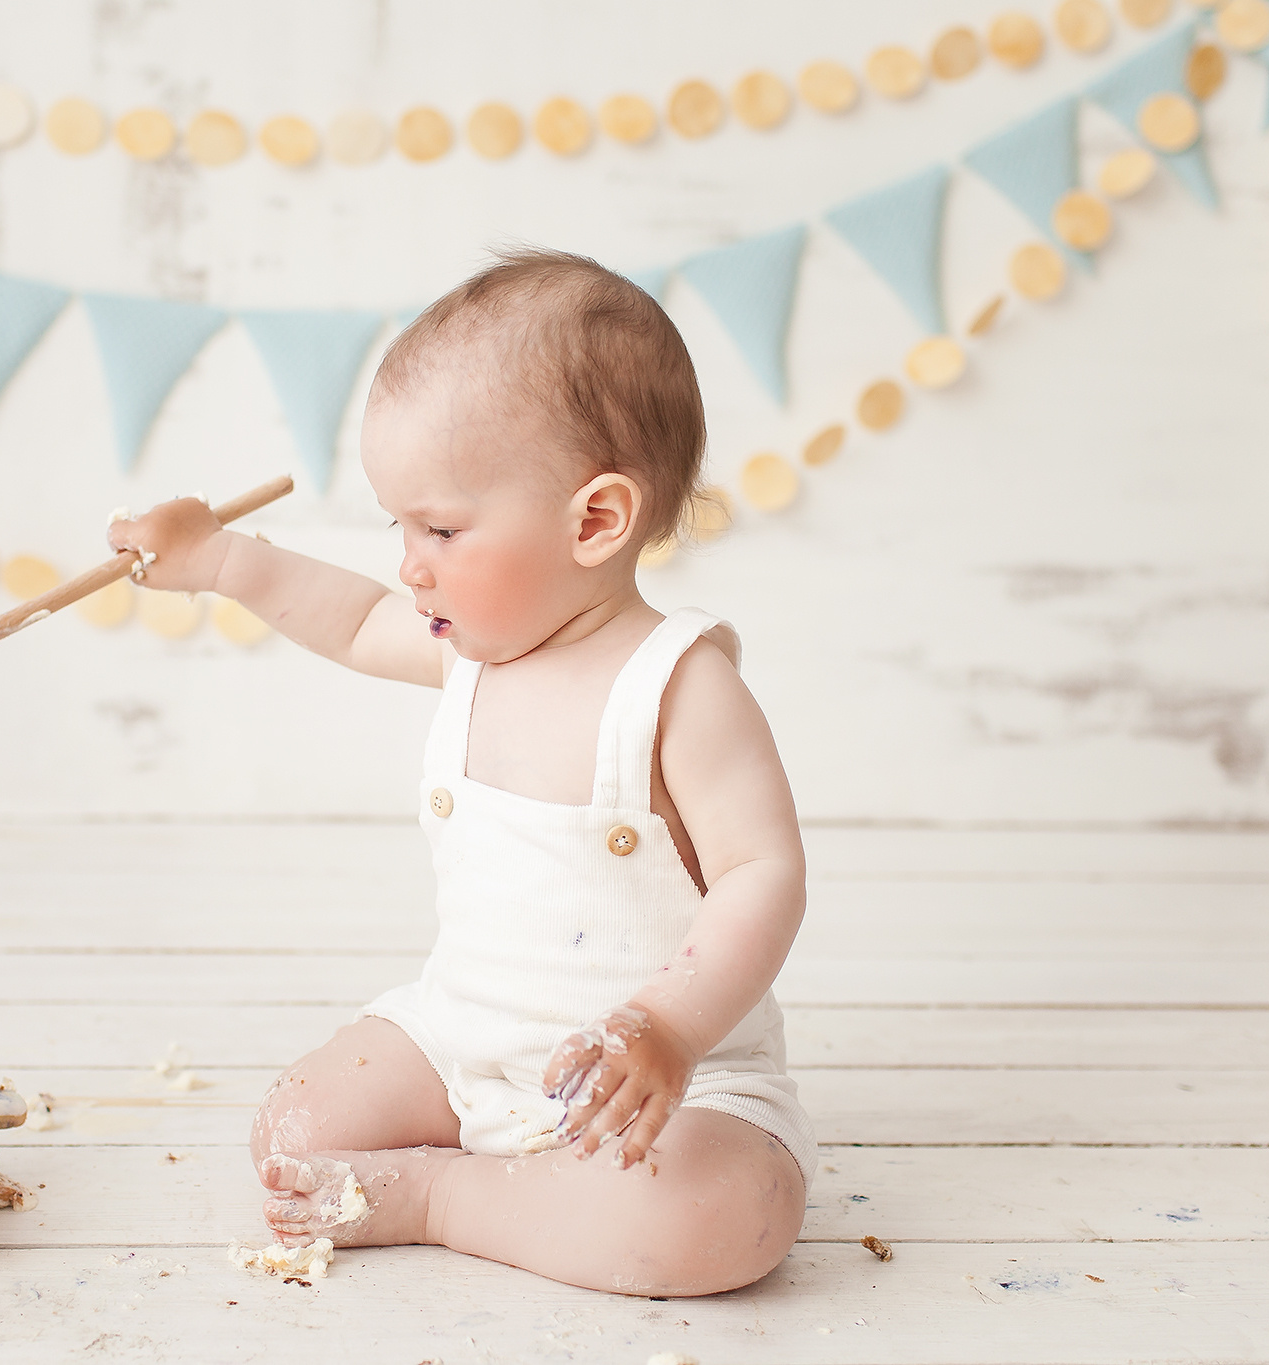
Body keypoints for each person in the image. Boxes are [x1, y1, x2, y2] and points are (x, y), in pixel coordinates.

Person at [106, 247, 813, 1296]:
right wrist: (218, 561)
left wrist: (668, 1026)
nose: (408, 564)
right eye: (399, 526)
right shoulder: (470, 653)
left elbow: (763, 873)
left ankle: (443, 1195)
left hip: (657, 1084)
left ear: (594, 521)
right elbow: (352, 620)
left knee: (716, 1219)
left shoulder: (676, 687)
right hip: (465, 1039)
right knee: (294, 1130)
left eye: (439, 528)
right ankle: (505, 1178)